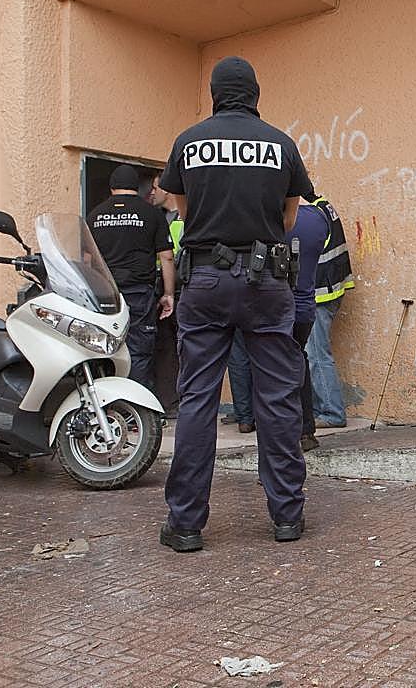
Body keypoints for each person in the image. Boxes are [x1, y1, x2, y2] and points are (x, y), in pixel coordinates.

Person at [159, 56, 313, 552]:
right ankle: (287, 516)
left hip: (204, 279)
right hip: (266, 281)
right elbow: (289, 219)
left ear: (215, 93)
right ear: (254, 93)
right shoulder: (280, 144)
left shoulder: (189, 142)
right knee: (278, 399)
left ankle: (186, 525)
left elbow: (185, 212)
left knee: (198, 400)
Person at [229, 198, 331, 452]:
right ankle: (305, 431)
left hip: (271, 306)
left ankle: (277, 435)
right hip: (305, 307)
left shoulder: (268, 218)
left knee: (268, 371)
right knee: (298, 362)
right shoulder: (319, 218)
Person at [87, 165, 175, 389]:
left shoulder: (95, 215)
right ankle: (137, 403)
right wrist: (168, 293)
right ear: (137, 187)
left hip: (104, 295)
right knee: (139, 351)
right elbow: (166, 257)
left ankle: (107, 400)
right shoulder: (152, 214)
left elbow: (86, 260)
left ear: (111, 188)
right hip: (139, 294)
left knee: (103, 347)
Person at [307, 194, 354, 429]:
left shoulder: (310, 213)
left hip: (319, 293)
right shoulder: (323, 204)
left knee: (316, 355)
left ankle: (331, 412)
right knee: (314, 354)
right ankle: (319, 409)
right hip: (331, 288)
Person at [150, 175, 184, 417]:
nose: (151, 192)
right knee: (166, 349)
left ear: (168, 190)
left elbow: (171, 257)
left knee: (183, 349)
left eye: (155, 187)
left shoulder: (184, 219)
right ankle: (169, 401)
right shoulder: (159, 219)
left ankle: (181, 401)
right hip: (163, 291)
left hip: (181, 292)